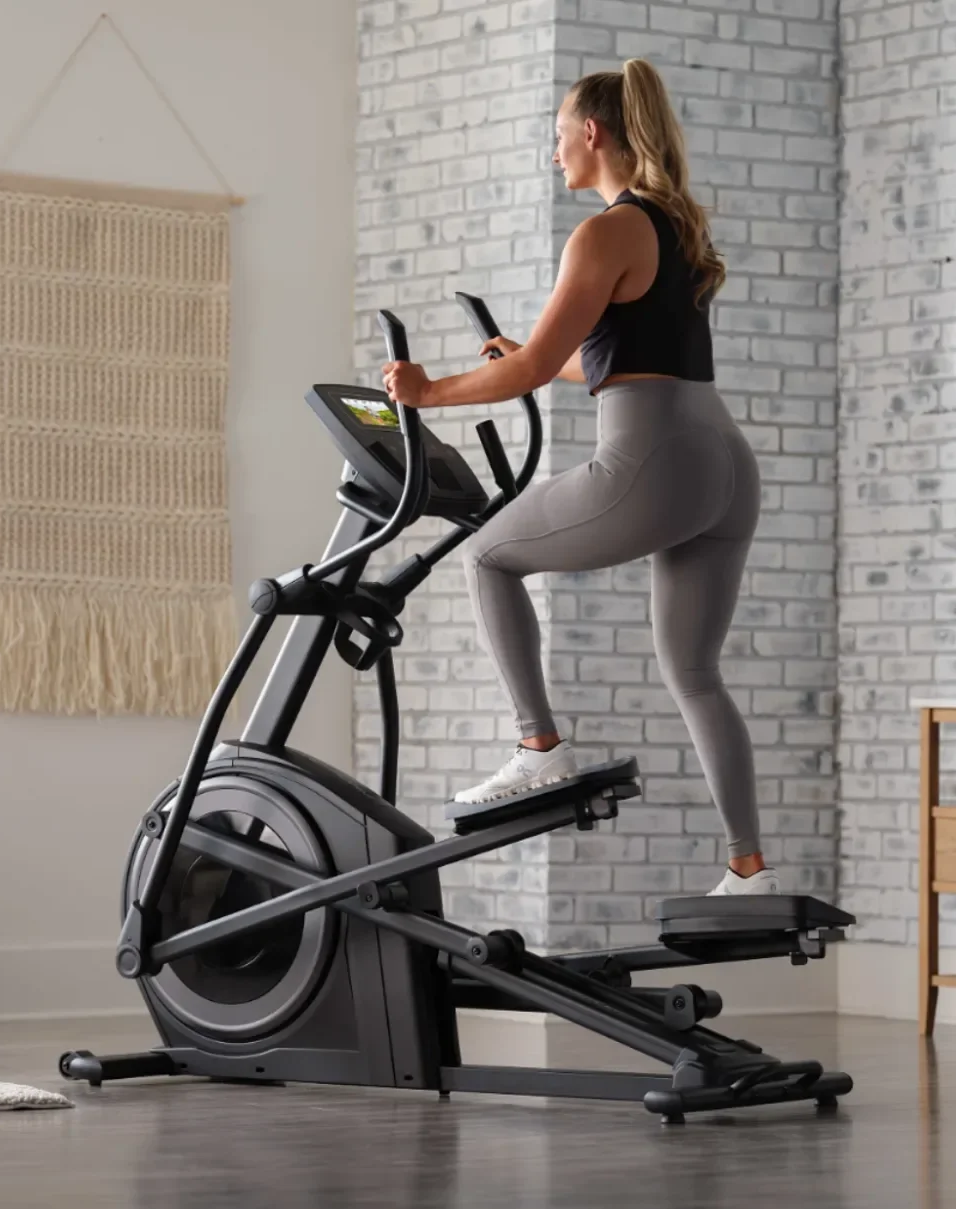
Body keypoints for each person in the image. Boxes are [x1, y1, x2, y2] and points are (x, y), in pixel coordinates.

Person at [380, 59, 776, 896]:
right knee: (695, 672)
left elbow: (530, 370)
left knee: (487, 556)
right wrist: (524, 355)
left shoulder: (604, 232)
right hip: (723, 462)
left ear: (591, 133)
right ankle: (748, 868)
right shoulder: (675, 224)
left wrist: (427, 391)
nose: (554, 150)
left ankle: (538, 747)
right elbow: (614, 358)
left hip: (655, 460)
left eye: (559, 134)